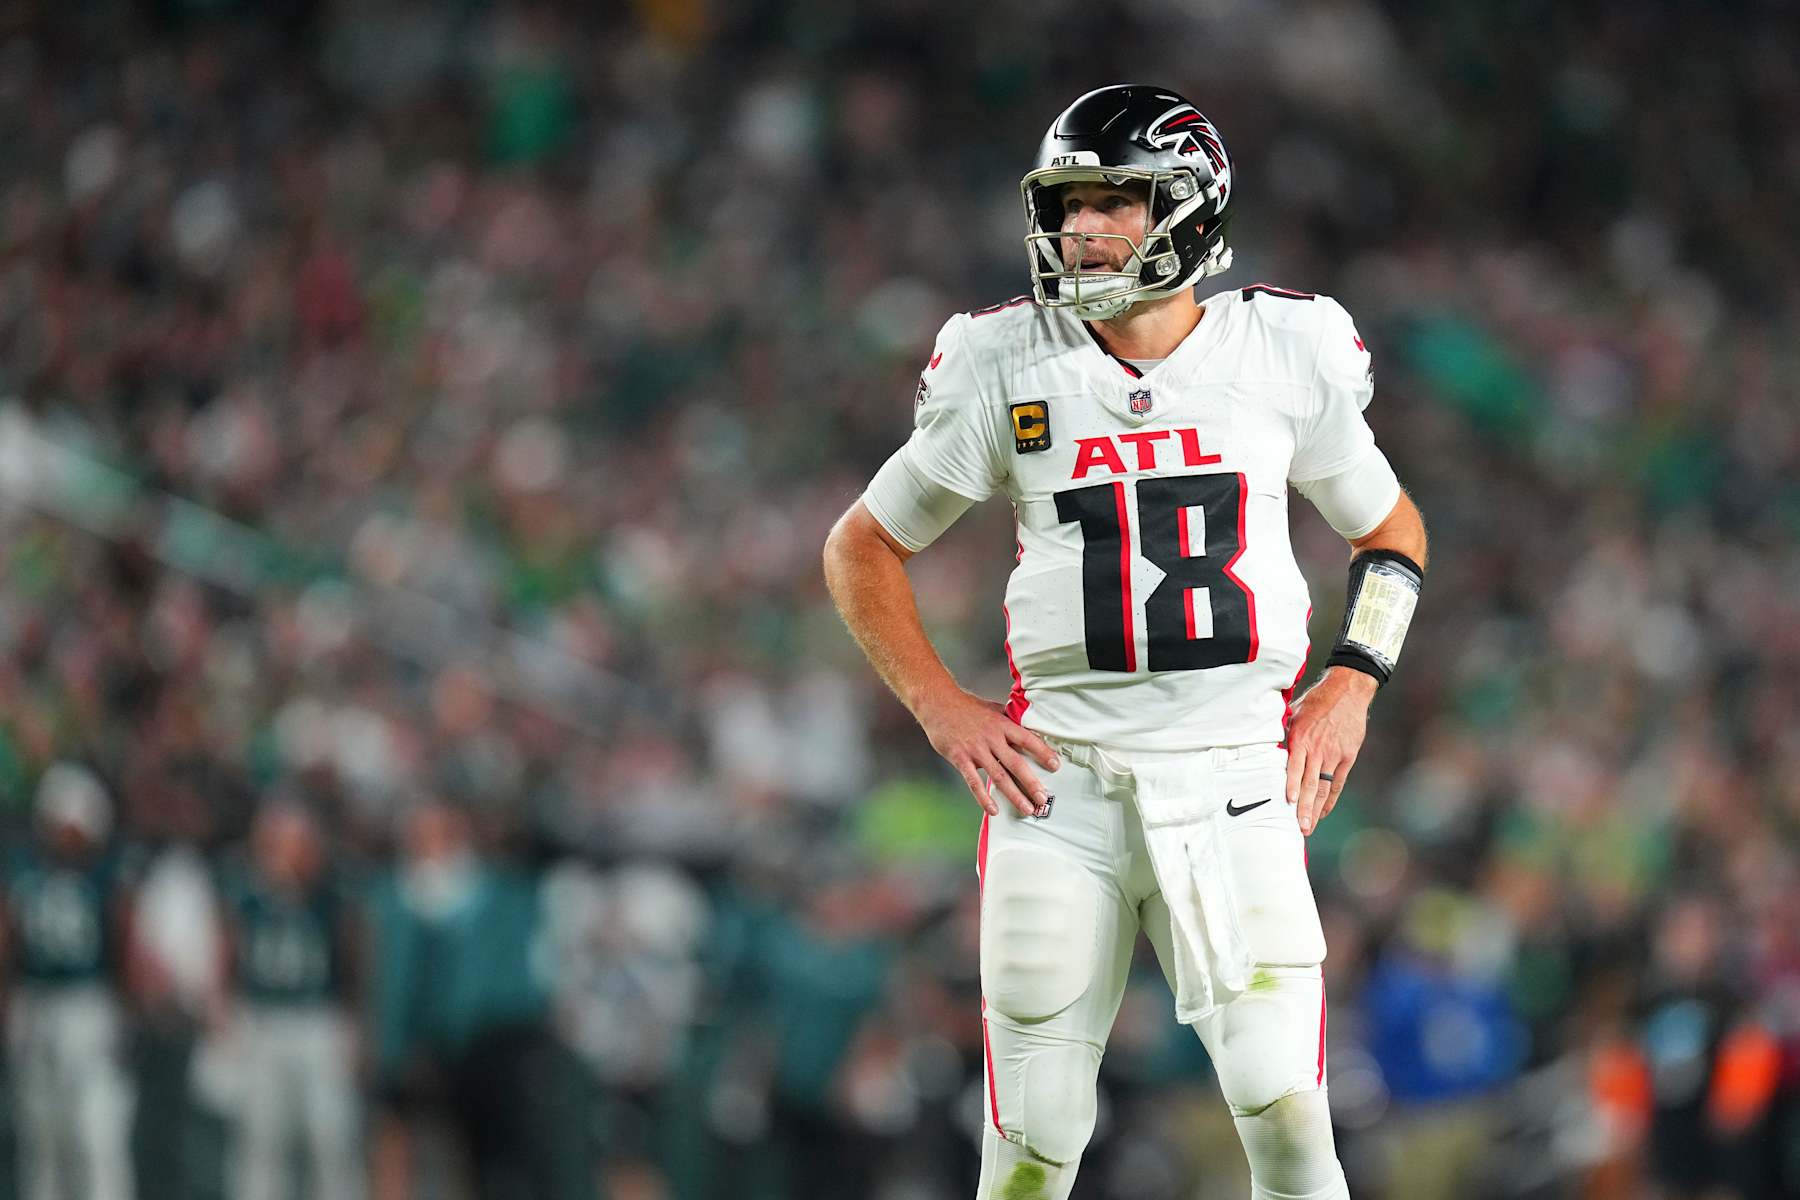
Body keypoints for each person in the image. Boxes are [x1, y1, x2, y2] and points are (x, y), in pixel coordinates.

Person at [823, 83, 1430, 1200]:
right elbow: (860, 548)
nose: (1082, 229)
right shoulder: (1005, 362)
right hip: (1063, 788)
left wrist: (1355, 676)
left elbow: (1389, 530)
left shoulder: (1286, 349)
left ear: (1190, 210)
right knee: (1031, 1149)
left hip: (1238, 776)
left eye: (1116, 200)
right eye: (1068, 204)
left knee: (1292, 1130)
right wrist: (940, 704)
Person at [0, 763, 138, 1200]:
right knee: (42, 1140)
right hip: (38, 1002)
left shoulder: (107, 876)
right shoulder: (24, 873)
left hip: (89, 1004)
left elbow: (124, 947)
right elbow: (9, 944)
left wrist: (123, 1010)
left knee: (98, 1136)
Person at [217, 800, 364, 1200]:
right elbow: (227, 957)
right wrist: (223, 1016)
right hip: (262, 1019)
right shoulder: (246, 894)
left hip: (318, 1020)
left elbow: (354, 962)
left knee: (329, 1138)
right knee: (260, 1140)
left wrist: (355, 1026)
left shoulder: (332, 894)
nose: (286, 853)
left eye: (295, 842)